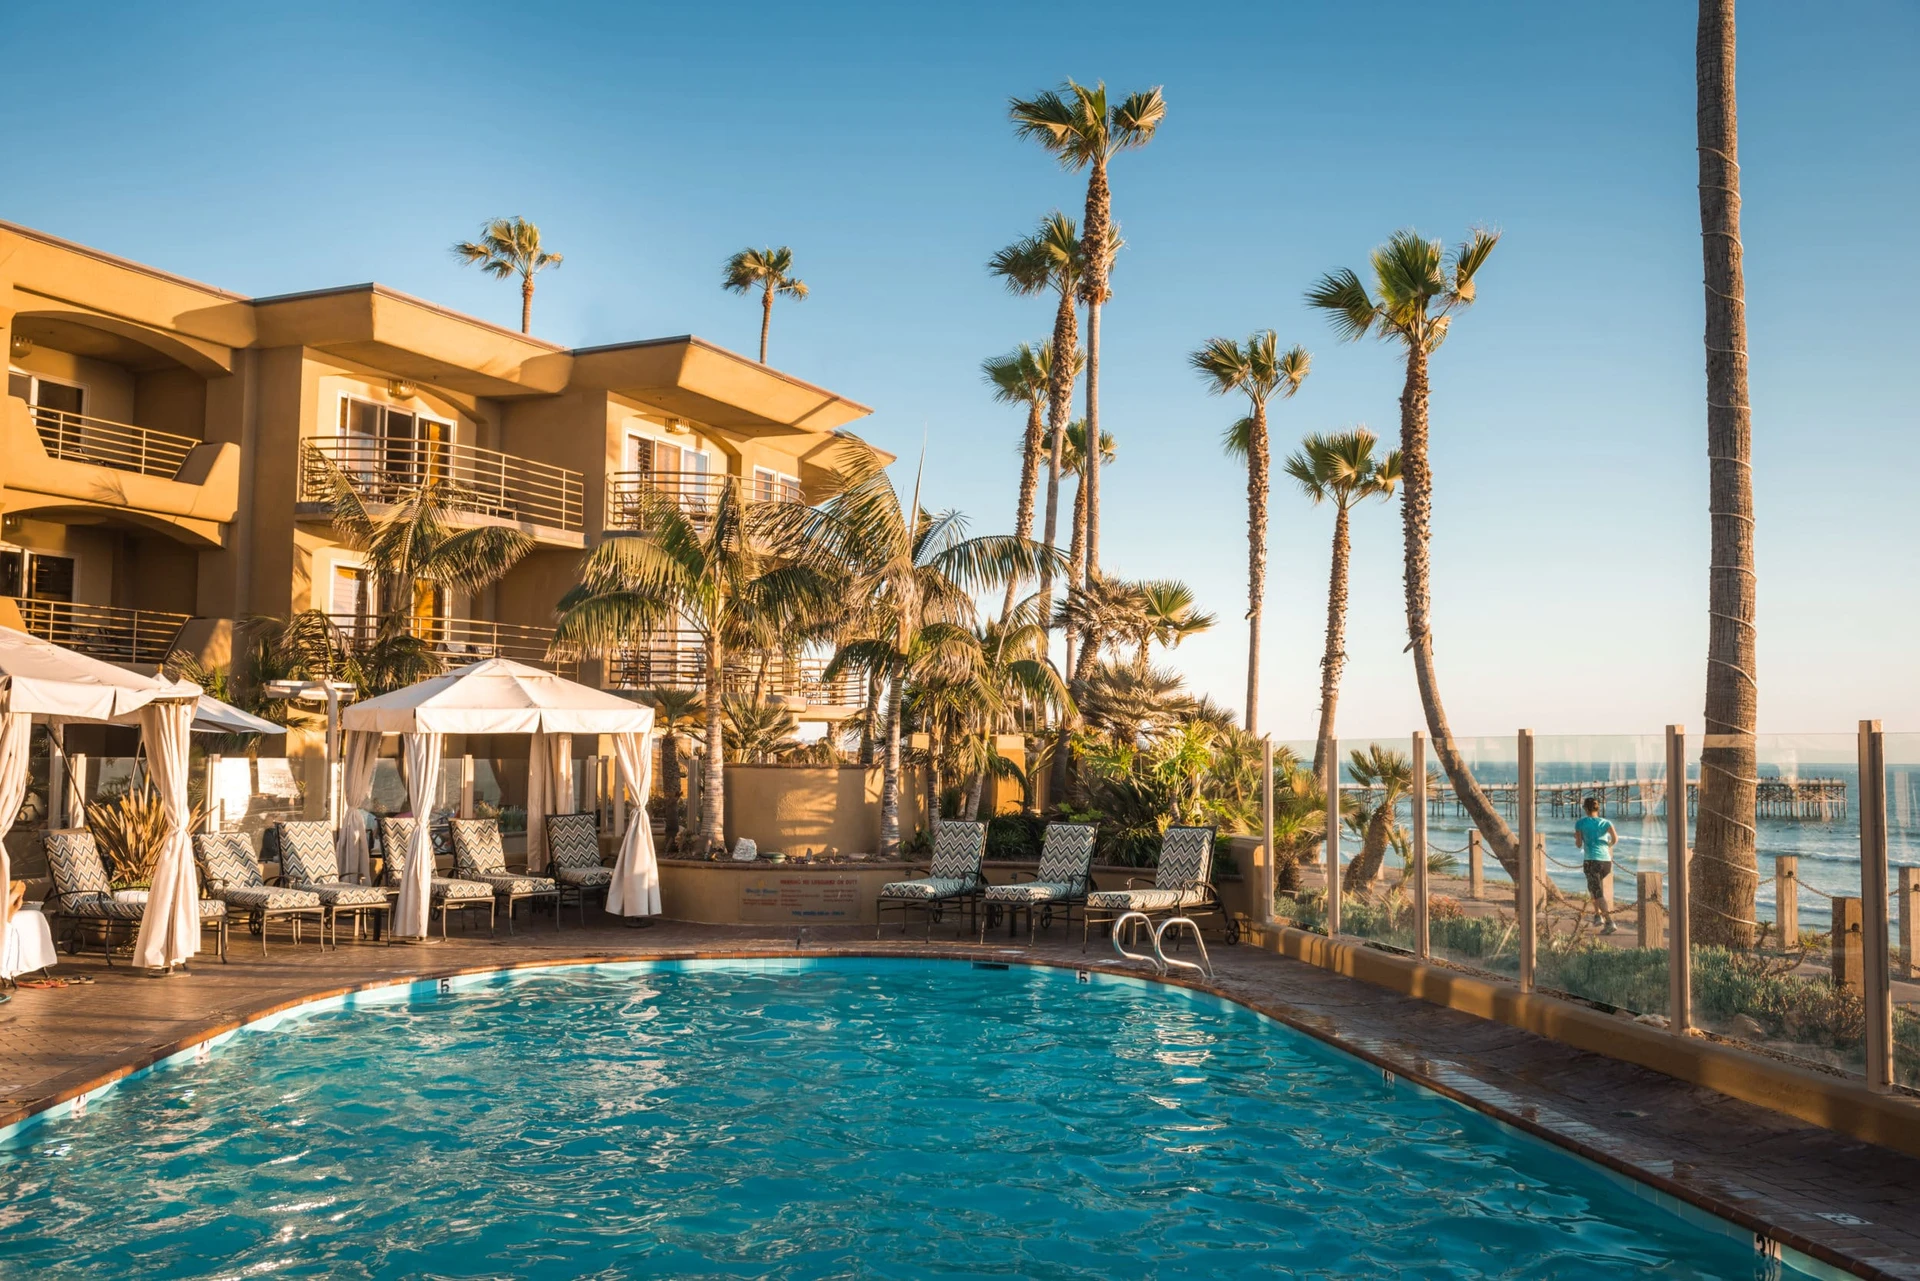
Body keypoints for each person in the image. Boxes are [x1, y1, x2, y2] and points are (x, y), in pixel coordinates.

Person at [1573, 796, 1618, 935]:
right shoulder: (1606, 822)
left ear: (1585, 809)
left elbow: (1579, 844)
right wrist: (1607, 846)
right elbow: (1615, 839)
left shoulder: (1580, 823)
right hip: (1606, 862)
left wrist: (1576, 838)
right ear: (1598, 808)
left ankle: (1609, 922)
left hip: (1591, 861)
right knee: (1592, 887)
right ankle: (1597, 916)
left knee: (1598, 893)